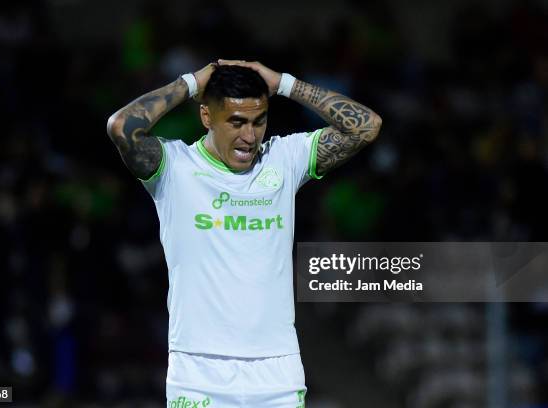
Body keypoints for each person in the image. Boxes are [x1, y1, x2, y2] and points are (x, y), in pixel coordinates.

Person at [107, 59, 382, 407]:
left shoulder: (283, 158)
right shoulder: (174, 167)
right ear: (207, 117)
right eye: (236, 122)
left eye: (258, 121)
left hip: (277, 373)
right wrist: (192, 83)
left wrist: (284, 83)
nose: (249, 136)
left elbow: (366, 127)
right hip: (198, 372)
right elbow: (121, 126)